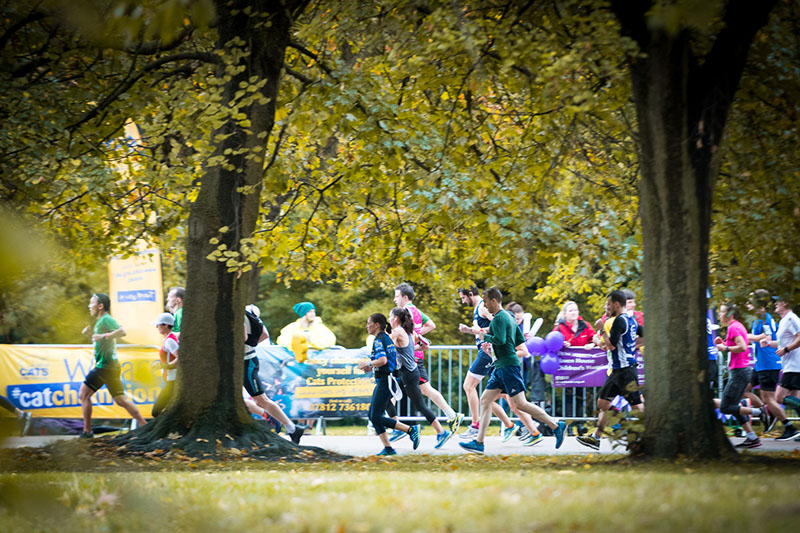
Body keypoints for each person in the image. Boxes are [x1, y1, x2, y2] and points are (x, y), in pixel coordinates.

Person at [459, 287, 566, 454]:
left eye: (486, 302)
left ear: (494, 301)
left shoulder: (500, 318)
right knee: (486, 400)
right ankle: (479, 442)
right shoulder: (509, 318)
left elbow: (500, 340)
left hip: (508, 367)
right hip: (501, 366)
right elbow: (516, 340)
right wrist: (490, 350)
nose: (484, 306)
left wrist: (482, 337)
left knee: (520, 404)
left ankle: (555, 425)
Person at [577, 290, 643, 451]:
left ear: (616, 304)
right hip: (616, 371)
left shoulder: (620, 321)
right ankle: (597, 438)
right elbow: (642, 336)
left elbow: (611, 345)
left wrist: (600, 330)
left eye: (608, 304)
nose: (606, 307)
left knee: (637, 406)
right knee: (603, 403)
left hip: (626, 370)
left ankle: (641, 436)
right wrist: (630, 346)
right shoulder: (631, 319)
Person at [394, 282, 464, 433]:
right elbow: (431, 325)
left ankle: (390, 424)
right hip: (413, 355)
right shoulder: (417, 311)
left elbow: (407, 333)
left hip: (410, 357)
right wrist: (417, 336)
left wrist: (412, 339)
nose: (395, 300)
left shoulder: (405, 311)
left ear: (405, 297)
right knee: (423, 389)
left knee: (393, 389)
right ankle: (451, 415)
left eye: (397, 296)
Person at [456, 286, 521, 442]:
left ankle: (475, 424)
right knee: (495, 396)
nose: (462, 301)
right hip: (488, 352)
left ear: (470, 294)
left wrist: (474, 331)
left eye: (463, 298)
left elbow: (500, 324)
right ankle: (514, 426)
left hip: (486, 352)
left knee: (469, 386)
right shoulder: (480, 308)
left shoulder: (482, 308)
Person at [78, 293, 146, 438]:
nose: (89, 306)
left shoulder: (106, 319)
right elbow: (100, 344)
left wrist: (103, 336)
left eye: (92, 303)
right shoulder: (99, 323)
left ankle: (87, 432)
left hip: (105, 366)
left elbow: (122, 331)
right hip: (111, 366)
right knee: (121, 400)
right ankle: (144, 426)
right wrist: (90, 335)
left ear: (100, 306)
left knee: (83, 394)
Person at [387, 307, 452, 448]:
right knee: (389, 398)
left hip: (408, 374)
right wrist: (410, 350)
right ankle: (398, 428)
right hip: (406, 372)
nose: (388, 320)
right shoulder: (410, 332)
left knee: (420, 405)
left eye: (390, 317)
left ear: (396, 318)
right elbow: (426, 345)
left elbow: (387, 345)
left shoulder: (397, 331)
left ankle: (441, 432)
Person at [359, 313, 420, 455]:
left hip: (385, 381)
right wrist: (371, 367)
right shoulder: (385, 337)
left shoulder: (379, 339)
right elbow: (385, 360)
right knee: (373, 415)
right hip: (386, 379)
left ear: (377, 325)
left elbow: (383, 360)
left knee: (375, 416)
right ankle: (388, 448)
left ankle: (410, 430)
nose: (367, 326)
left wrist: (368, 363)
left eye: (369, 323)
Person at [244, 305, 306, 444]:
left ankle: (290, 427)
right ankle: (289, 427)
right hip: (245, 359)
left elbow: (243, 337)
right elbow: (264, 334)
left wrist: (247, 346)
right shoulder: (248, 313)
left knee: (261, 399)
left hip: (246, 362)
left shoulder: (239, 314)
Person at [713, 303, 764, 448]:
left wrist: (725, 347)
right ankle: (752, 437)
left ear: (730, 314)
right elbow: (738, 345)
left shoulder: (733, 327)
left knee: (725, 407)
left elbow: (741, 347)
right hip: (741, 370)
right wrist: (723, 344)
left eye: (722, 312)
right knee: (734, 407)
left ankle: (761, 411)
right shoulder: (738, 326)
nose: (719, 315)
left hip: (739, 372)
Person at [760, 295, 800, 440]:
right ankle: (793, 431)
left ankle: (791, 429)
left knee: (779, 397)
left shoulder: (792, 318)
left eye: (779, 301)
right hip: (790, 365)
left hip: (794, 365)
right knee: (795, 399)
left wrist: (787, 349)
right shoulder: (783, 320)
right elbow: (783, 342)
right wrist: (769, 343)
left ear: (786, 303)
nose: (776, 303)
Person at [746, 289, 783, 432]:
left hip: (768, 363)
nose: (747, 304)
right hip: (760, 364)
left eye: (750, 301)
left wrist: (745, 336)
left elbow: (767, 338)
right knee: (744, 390)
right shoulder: (758, 319)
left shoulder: (764, 319)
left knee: (769, 398)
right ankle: (766, 411)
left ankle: (788, 426)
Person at [152, 312, 179, 417]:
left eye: (158, 325)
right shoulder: (168, 338)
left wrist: (165, 366)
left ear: (166, 325)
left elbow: (179, 357)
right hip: (170, 379)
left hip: (172, 380)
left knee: (156, 412)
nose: (156, 327)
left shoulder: (170, 341)